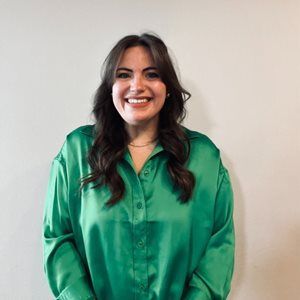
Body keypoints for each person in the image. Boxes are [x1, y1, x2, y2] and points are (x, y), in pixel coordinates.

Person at [43, 33, 235, 300]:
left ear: (167, 87)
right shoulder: (76, 152)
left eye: (152, 74)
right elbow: (57, 239)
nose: (137, 85)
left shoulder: (204, 158)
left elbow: (219, 249)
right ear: (110, 86)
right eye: (123, 75)